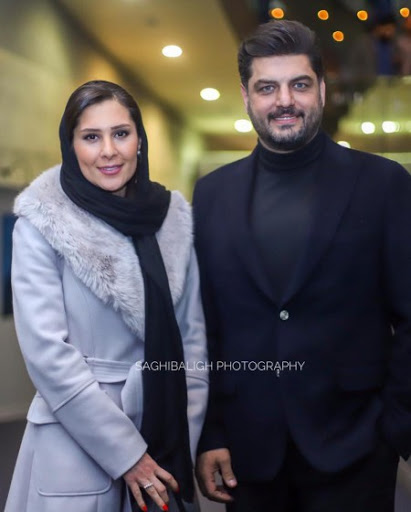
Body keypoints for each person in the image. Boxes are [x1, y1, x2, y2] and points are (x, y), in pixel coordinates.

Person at [193, 19, 411, 512]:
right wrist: (211, 433)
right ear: (246, 97)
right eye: (267, 87)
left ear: (322, 90)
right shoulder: (211, 195)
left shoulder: (383, 184)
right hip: (248, 455)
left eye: (299, 85)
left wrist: (395, 428)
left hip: (356, 450)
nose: (284, 101)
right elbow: (205, 327)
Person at [5, 80, 208, 512]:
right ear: (71, 145)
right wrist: (128, 454)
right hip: (78, 441)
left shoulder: (173, 218)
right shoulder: (42, 223)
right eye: (91, 137)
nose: (109, 151)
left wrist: (182, 437)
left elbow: (192, 340)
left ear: (140, 139)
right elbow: (47, 354)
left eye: (121, 133)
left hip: (166, 435)